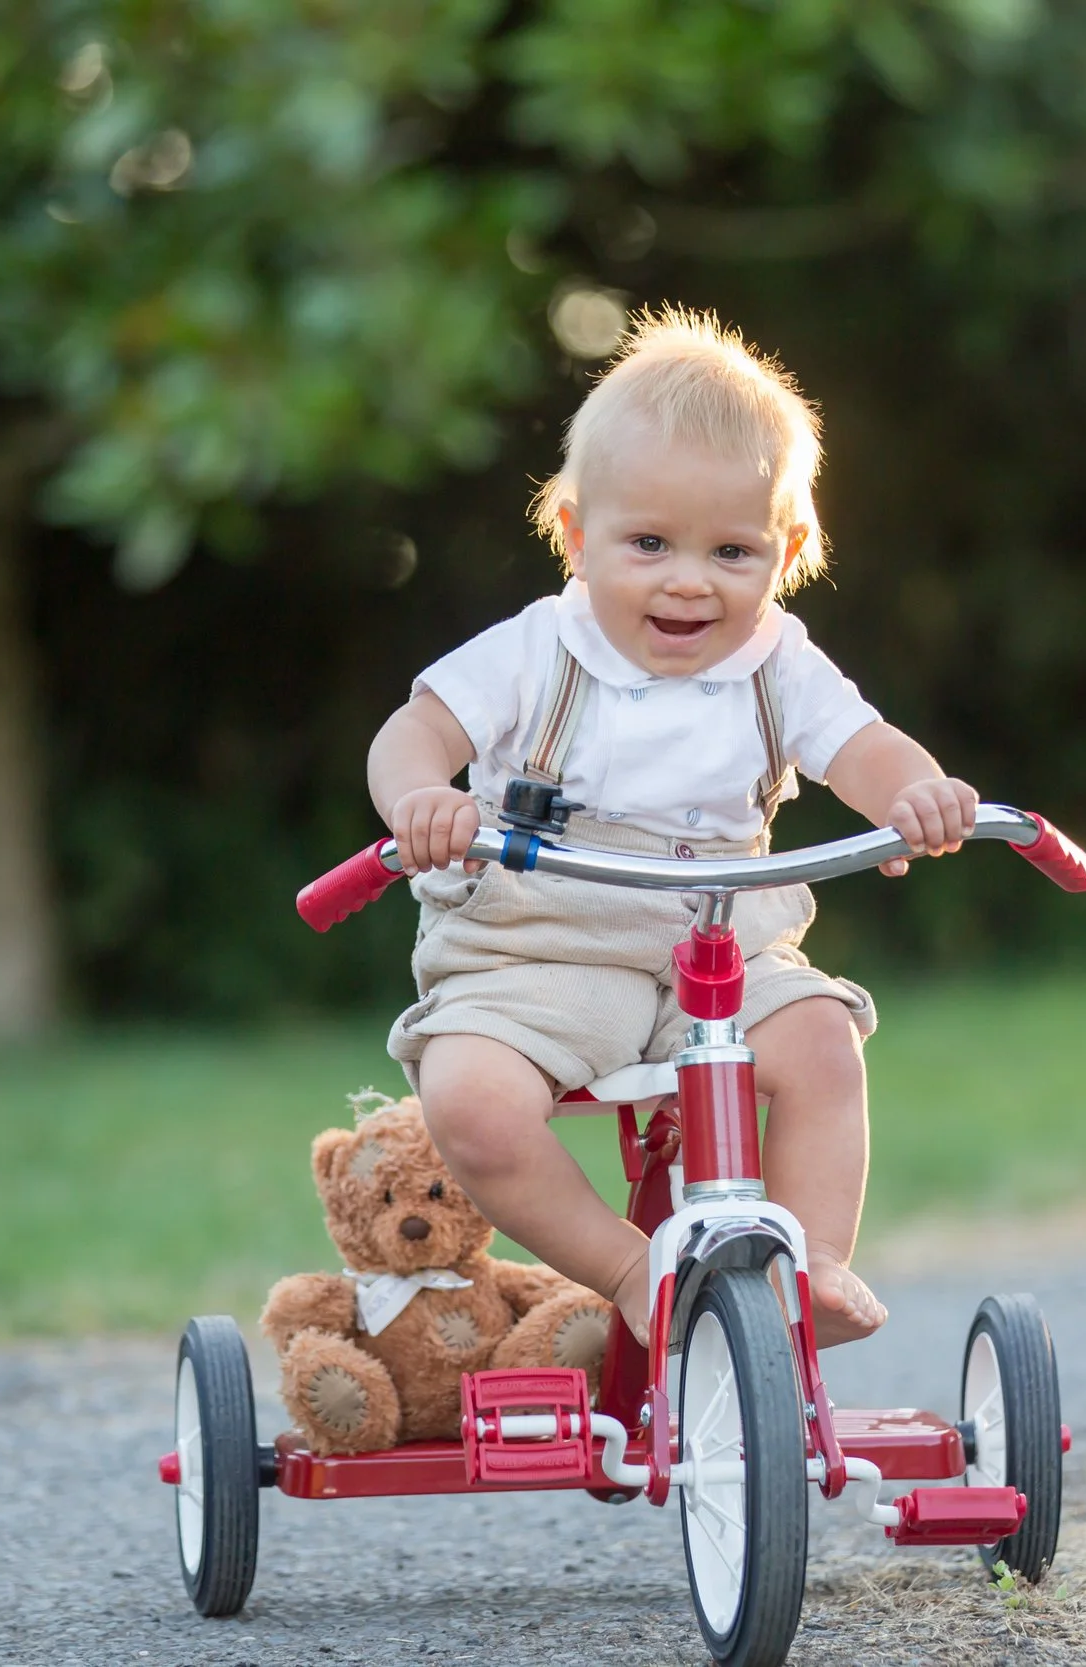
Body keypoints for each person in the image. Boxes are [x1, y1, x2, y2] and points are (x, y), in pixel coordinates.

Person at [365, 307, 977, 1350]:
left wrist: (915, 791)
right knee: (467, 1099)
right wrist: (424, 796)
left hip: (720, 950)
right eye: (648, 543)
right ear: (576, 533)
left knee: (825, 1044)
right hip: (540, 946)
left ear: (786, 552)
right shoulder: (533, 651)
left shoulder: (776, 660)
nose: (688, 580)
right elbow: (412, 732)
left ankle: (812, 1266)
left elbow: (865, 746)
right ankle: (631, 1270)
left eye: (731, 550)